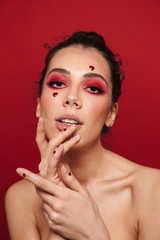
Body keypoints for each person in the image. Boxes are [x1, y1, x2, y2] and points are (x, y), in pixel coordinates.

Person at [5, 31, 160, 240]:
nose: (71, 98)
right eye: (58, 84)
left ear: (111, 114)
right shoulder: (20, 199)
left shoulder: (153, 190)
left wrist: (92, 232)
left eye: (93, 88)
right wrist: (57, 207)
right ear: (40, 106)